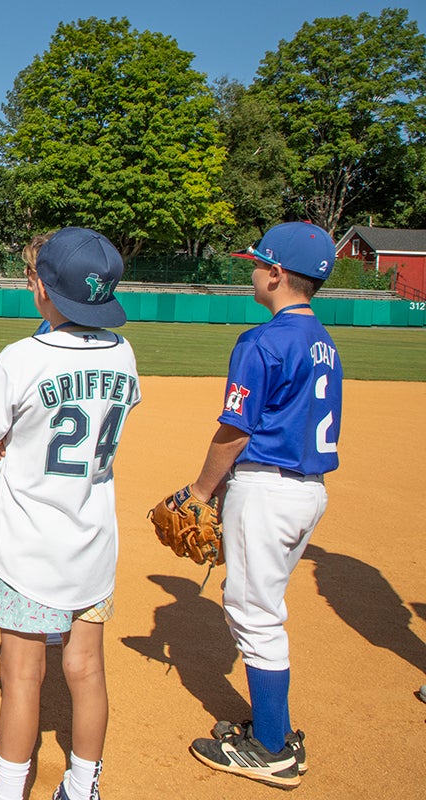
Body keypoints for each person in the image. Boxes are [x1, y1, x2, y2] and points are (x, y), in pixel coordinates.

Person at [0, 227, 140, 800]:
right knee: (86, 669)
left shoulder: (20, 356)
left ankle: (8, 790)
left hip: (28, 544)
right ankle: (83, 785)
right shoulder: (124, 352)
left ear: (42, 288)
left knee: (22, 675)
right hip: (92, 538)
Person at [184, 222, 342, 790]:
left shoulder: (262, 341)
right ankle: (273, 730)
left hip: (268, 489)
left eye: (256, 263)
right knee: (262, 603)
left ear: (276, 275)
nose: (250, 270)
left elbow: (236, 428)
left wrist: (200, 490)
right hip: (306, 490)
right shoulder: (323, 339)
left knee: (255, 615)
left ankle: (271, 747)